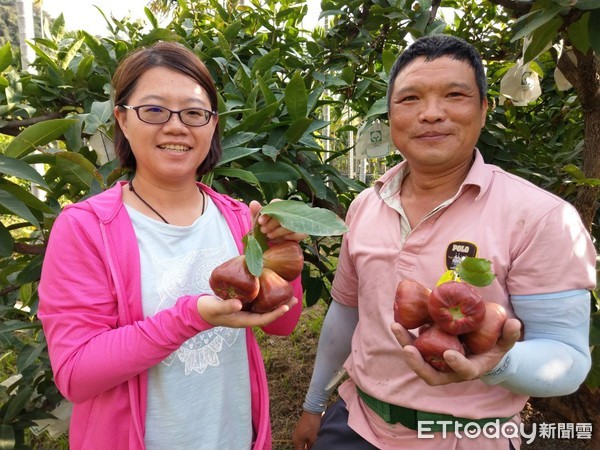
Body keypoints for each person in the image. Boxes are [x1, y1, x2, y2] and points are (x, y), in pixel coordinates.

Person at [292, 34, 596, 450]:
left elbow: (568, 359)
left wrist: (495, 364)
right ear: (391, 114)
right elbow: (346, 315)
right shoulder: (366, 204)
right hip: (356, 424)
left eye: (454, 95)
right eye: (410, 99)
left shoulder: (541, 217)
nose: (431, 114)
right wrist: (315, 404)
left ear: (484, 110)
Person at [38, 41, 305, 450]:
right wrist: (191, 316)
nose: (176, 126)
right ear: (124, 120)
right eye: (154, 110)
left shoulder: (238, 220)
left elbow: (283, 325)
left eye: (194, 113)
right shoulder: (87, 228)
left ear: (213, 125)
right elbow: (76, 373)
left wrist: (284, 254)